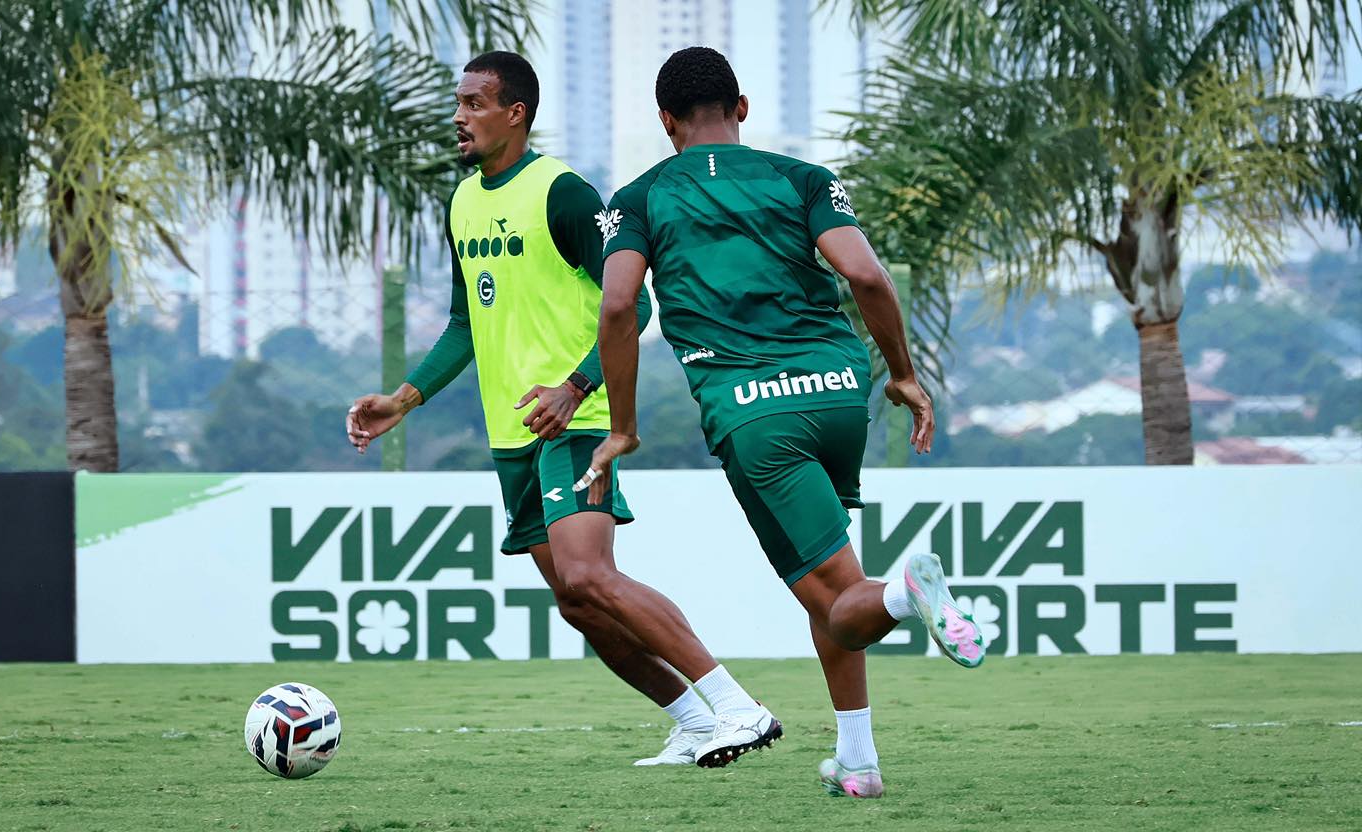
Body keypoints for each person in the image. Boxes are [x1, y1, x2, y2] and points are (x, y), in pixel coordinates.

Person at [346, 50, 776, 768]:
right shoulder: (462, 201)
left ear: (514, 114)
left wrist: (576, 386)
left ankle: (737, 707)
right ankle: (692, 723)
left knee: (587, 576)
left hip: (572, 422)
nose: (459, 116)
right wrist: (403, 399)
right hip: (511, 435)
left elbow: (633, 300)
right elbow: (464, 325)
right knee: (578, 603)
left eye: (475, 103)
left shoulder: (564, 194)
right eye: (459, 103)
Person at [577, 46, 986, 797]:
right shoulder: (805, 179)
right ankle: (857, 759)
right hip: (838, 395)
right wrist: (900, 372)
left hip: (757, 415)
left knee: (847, 599)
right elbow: (864, 274)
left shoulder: (635, 200)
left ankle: (908, 593)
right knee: (828, 588)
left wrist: (624, 426)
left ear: (666, 122)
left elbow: (617, 306)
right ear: (742, 107)